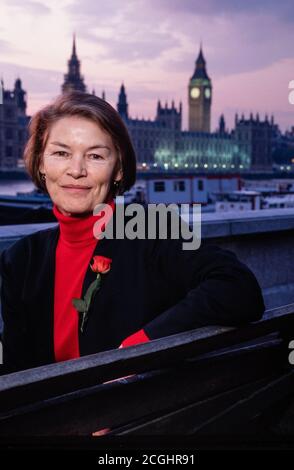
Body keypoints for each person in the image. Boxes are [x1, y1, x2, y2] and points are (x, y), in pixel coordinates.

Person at [0, 91, 265, 375]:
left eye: (96, 156)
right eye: (61, 153)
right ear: (41, 163)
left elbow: (240, 288)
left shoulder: (151, 230)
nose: (76, 170)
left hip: (131, 417)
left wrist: (140, 347)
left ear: (118, 169)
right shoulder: (21, 260)